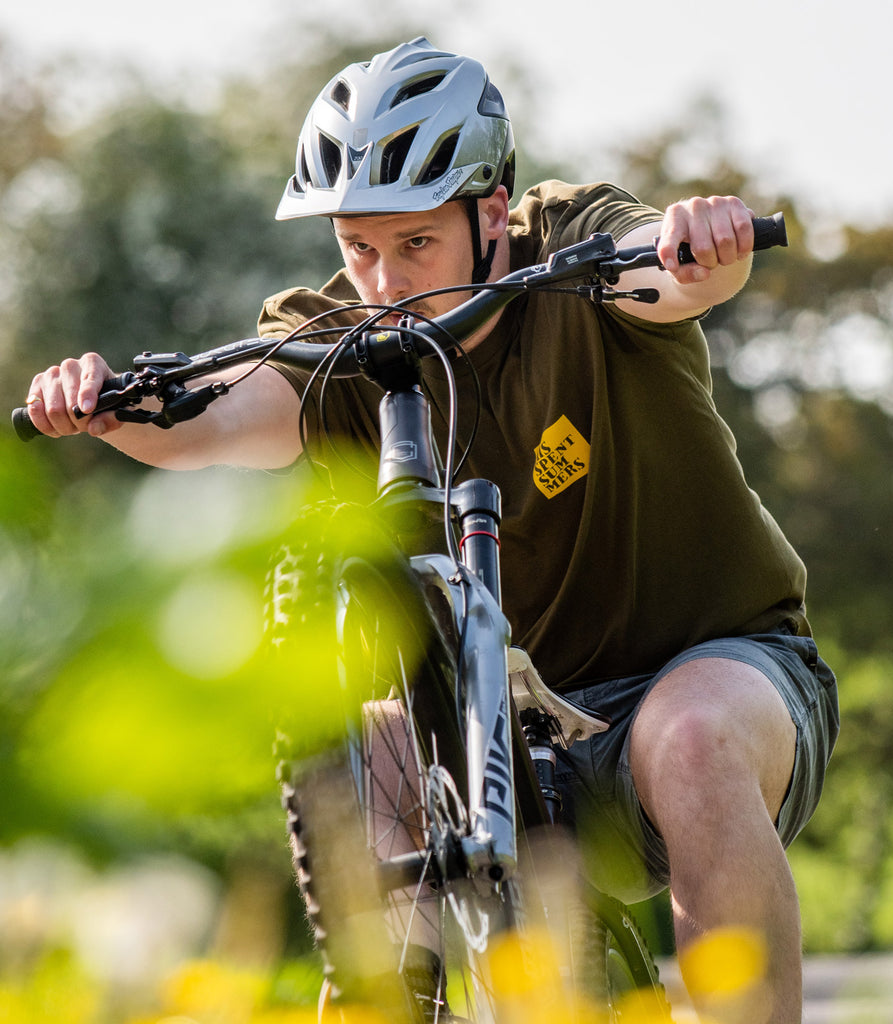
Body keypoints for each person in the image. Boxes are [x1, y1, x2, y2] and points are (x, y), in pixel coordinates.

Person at [24, 37, 839, 1024]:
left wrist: (700, 244)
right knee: (378, 713)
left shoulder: (568, 250)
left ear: (489, 213)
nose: (383, 282)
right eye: (358, 247)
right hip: (507, 731)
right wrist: (112, 411)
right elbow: (227, 418)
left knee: (689, 736)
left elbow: (667, 275)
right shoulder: (338, 339)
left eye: (416, 243)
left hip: (722, 676)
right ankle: (391, 988)